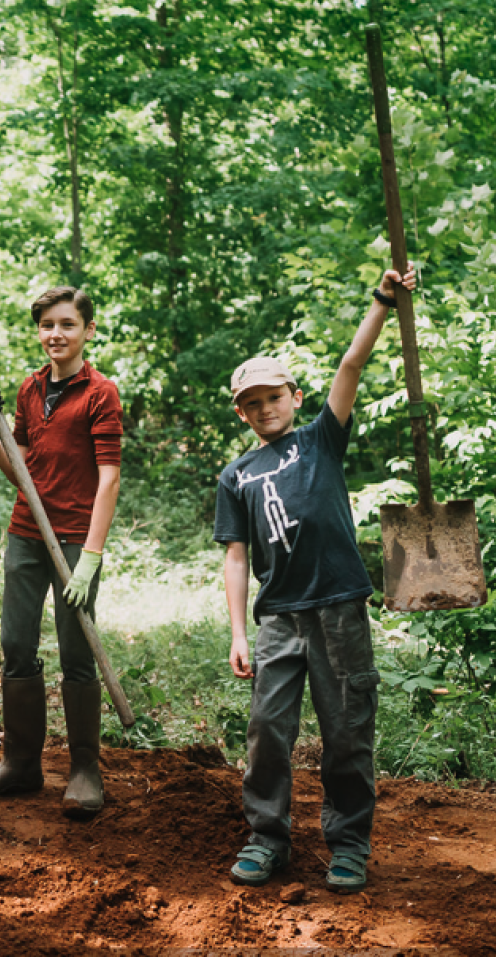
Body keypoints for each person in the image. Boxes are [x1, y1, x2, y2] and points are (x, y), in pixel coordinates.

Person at [217, 265, 416, 893]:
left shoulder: (320, 440)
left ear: (294, 396)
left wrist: (383, 301)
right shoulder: (236, 475)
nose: (263, 409)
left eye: (272, 397)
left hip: (338, 609)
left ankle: (349, 843)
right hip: (278, 619)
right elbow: (235, 557)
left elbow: (352, 365)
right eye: (251, 403)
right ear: (241, 413)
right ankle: (266, 836)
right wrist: (237, 632)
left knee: (347, 732)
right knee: (268, 733)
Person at [0, 286, 122, 817]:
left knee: (77, 652)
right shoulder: (29, 391)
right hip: (27, 532)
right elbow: (21, 474)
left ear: (87, 331)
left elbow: (109, 478)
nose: (57, 333)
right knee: (15, 643)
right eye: (48, 324)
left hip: (76, 537)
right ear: (39, 331)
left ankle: (83, 769)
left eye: (68, 324)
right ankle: (21, 764)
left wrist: (91, 555)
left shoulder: (101, 393)